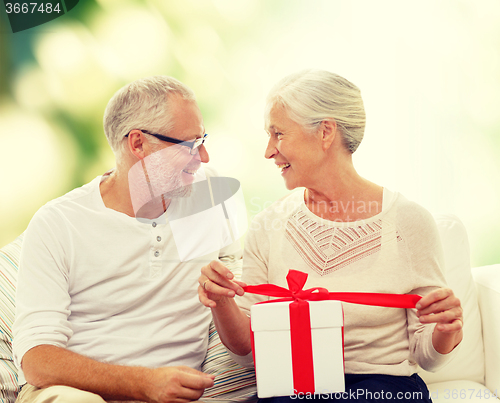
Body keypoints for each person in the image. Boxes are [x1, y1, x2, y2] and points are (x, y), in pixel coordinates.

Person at [198, 69, 463, 402]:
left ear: (325, 132)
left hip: (382, 391)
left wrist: (445, 330)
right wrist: (221, 302)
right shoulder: (269, 224)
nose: (268, 151)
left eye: (279, 134)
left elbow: (427, 356)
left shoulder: (409, 223)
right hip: (295, 390)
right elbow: (248, 352)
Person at [13, 76, 242, 403]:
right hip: (74, 393)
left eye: (202, 139)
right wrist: (144, 383)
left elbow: (243, 325)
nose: (203, 157)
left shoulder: (211, 195)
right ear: (138, 144)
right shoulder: (58, 223)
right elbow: (37, 360)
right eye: (190, 145)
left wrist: (222, 297)